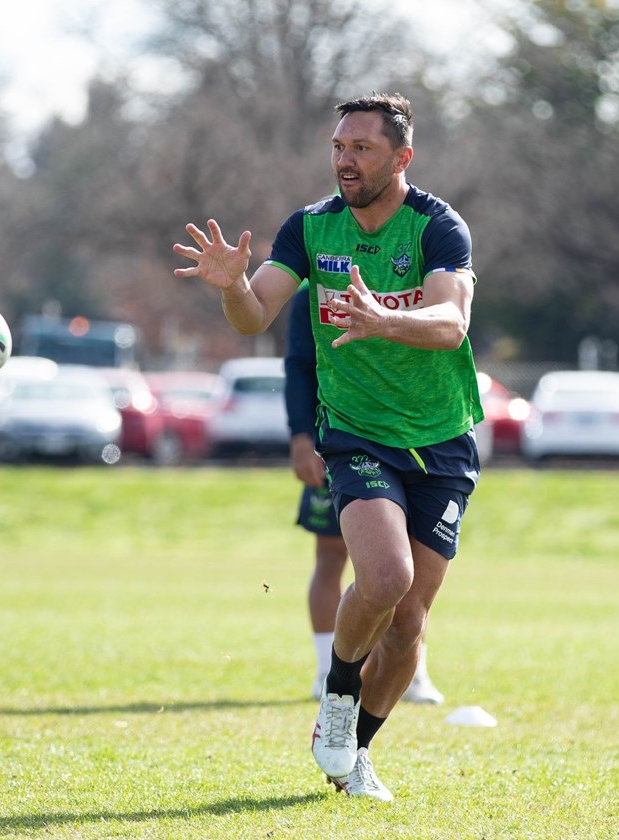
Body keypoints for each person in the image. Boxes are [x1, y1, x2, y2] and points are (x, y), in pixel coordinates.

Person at [174, 92, 483, 802]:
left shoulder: (437, 227)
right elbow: (254, 316)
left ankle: (357, 752)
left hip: (441, 441)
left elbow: (450, 324)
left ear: (401, 158)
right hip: (355, 434)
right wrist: (228, 290)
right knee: (384, 578)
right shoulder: (311, 228)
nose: (345, 160)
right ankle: (337, 705)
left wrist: (382, 320)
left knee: (408, 626)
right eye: (339, 147)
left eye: (362, 149)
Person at [285, 281, 445, 705]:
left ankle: (414, 671)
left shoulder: (416, 279)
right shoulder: (311, 291)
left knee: (409, 569)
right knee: (331, 558)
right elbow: (299, 363)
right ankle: (327, 671)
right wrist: (302, 437)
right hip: (341, 445)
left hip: (410, 447)